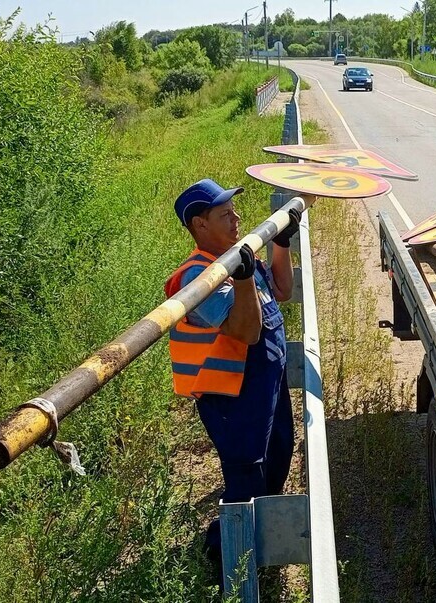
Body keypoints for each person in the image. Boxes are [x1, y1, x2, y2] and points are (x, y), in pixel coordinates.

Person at [163, 178, 302, 571]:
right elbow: (247, 331)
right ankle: (226, 558)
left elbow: (283, 290)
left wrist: (282, 242)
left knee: (276, 458)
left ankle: (259, 547)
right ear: (200, 225)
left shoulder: (239, 256)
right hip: (232, 396)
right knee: (246, 475)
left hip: (266, 383)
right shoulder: (197, 278)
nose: (237, 219)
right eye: (225, 214)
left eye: (234, 211)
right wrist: (240, 280)